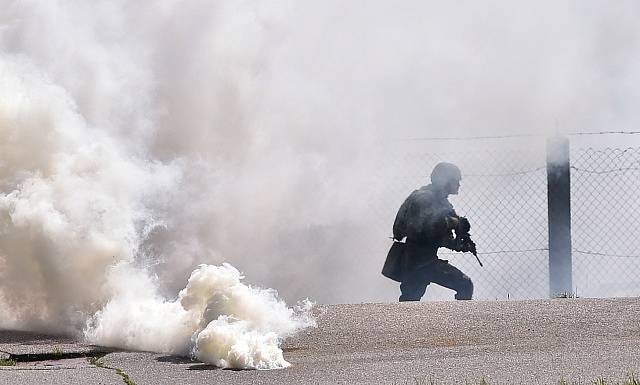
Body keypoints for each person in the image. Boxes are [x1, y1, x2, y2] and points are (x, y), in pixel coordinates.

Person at [382, 162, 474, 301]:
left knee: (409, 302)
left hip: (418, 262)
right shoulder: (425, 198)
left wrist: (460, 244)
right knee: (465, 285)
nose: (458, 185)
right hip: (421, 262)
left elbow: (439, 235)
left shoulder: (439, 201)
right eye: (455, 181)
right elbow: (426, 228)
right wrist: (455, 223)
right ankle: (463, 322)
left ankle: (401, 323)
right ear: (445, 180)